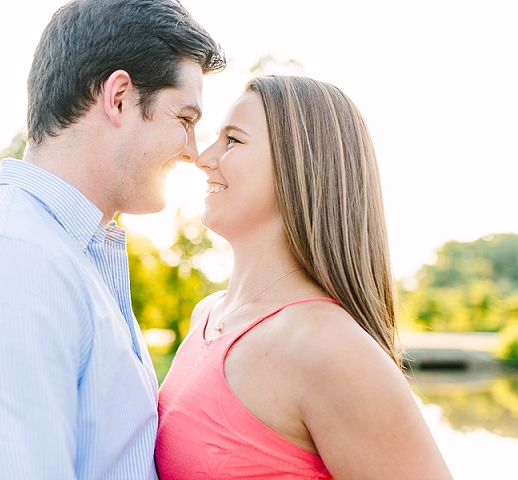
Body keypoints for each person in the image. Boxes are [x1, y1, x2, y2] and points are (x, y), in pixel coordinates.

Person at [0, 1, 224, 478]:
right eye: (185, 120)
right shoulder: (3, 262)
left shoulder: (66, 255)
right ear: (120, 97)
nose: (193, 151)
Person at [156, 76, 454, 479]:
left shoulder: (330, 350)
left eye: (233, 141)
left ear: (300, 166)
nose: (203, 157)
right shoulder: (207, 316)